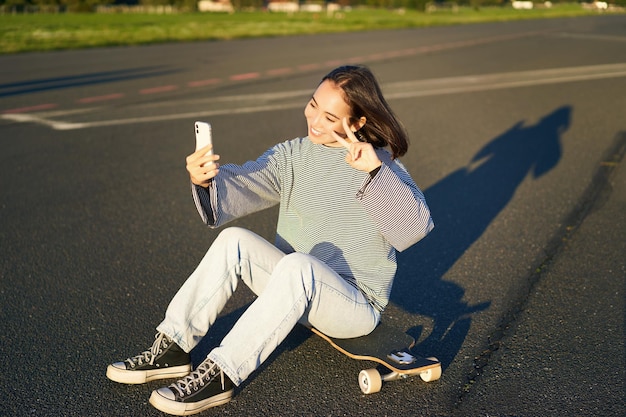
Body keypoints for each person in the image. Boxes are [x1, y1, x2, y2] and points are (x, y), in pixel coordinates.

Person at [106, 65, 434, 416]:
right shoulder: (295, 154)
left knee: (298, 266)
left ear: (356, 123)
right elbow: (246, 182)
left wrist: (374, 171)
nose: (315, 121)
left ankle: (220, 375)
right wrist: (205, 181)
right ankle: (173, 347)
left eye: (329, 116)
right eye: (312, 105)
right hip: (292, 290)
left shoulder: (384, 166)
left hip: (353, 306)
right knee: (234, 239)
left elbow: (413, 229)